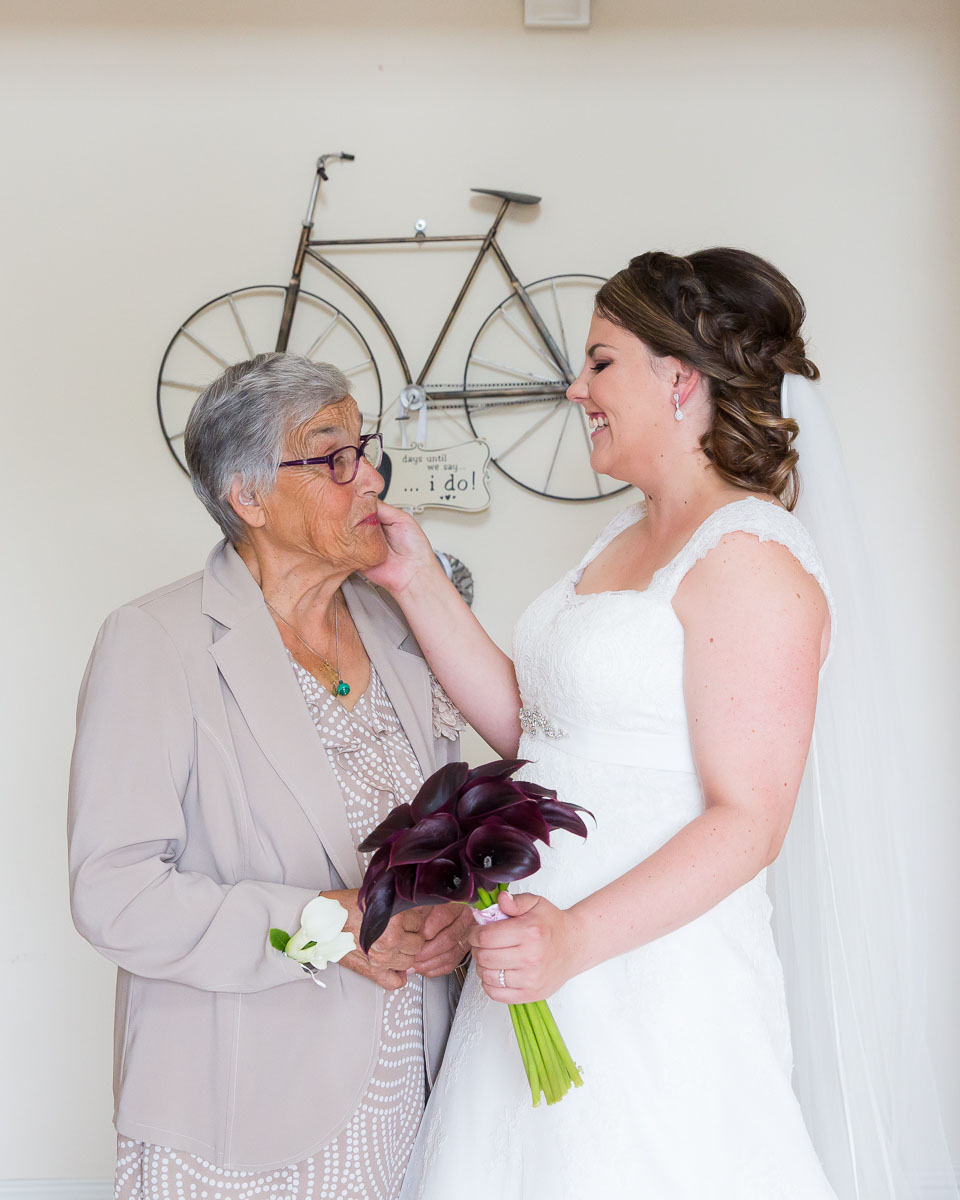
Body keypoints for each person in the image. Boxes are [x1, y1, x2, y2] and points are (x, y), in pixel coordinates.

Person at [371, 248, 845, 1198]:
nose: (575, 386)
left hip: (653, 979)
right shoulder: (621, 540)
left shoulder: (750, 557)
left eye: (599, 361)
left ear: (679, 379)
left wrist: (575, 942)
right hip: (538, 958)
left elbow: (750, 818)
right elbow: (537, 732)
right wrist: (413, 579)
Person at [68, 353, 474, 1200]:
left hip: (411, 1098)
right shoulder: (155, 640)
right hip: (237, 1114)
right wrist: (329, 928)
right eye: (332, 456)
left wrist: (455, 917)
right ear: (246, 497)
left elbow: (452, 833)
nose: (368, 476)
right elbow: (116, 894)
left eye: (364, 445)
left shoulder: (402, 625)